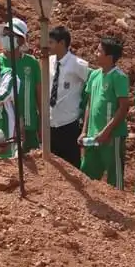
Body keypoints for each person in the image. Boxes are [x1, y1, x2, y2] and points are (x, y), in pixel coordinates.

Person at [80, 37, 130, 189]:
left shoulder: (119, 77)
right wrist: (84, 131)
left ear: (109, 57)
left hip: (111, 137)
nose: (95, 53)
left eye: (99, 51)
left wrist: (106, 131)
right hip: (93, 136)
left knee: (115, 180)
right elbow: (90, 103)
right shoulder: (94, 75)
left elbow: (123, 108)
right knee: (86, 176)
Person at [0, 18, 43, 151]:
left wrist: (42, 122)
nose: (6, 38)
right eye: (4, 35)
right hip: (3, 124)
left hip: (29, 124)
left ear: (21, 39)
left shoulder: (31, 63)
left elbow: (39, 94)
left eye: (10, 35)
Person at [47, 25, 91, 168]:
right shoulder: (48, 61)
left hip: (69, 123)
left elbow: (93, 83)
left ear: (62, 43)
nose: (49, 45)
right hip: (51, 122)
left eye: (51, 42)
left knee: (71, 165)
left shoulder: (78, 64)